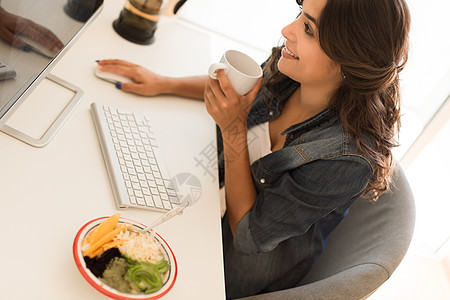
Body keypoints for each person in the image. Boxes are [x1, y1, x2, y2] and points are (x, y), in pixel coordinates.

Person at [96, 0, 411, 298]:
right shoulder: (290, 69)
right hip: (204, 198)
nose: (289, 29)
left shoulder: (347, 161)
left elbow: (247, 235)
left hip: (229, 264)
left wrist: (233, 130)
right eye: (301, 13)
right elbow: (235, 93)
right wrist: (162, 83)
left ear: (350, 60)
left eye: (309, 29)